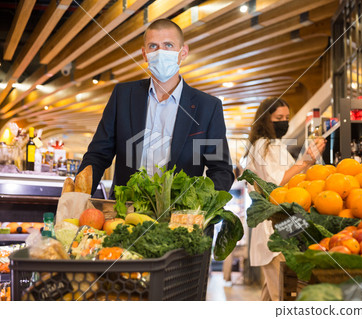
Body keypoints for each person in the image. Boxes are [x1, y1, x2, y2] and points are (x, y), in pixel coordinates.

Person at [77, 19, 234, 196]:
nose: (160, 52)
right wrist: (77, 197)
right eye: (153, 46)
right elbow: (98, 155)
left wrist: (200, 209)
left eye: (168, 45)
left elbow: (221, 169)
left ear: (183, 52)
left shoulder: (207, 107)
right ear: (144, 54)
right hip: (123, 213)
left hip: (177, 217)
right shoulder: (123, 95)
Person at [243, 97, 326, 301]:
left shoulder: (276, 145)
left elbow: (292, 180)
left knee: (273, 293)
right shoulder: (264, 145)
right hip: (274, 229)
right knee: (284, 294)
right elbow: (277, 183)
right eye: (278, 117)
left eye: (286, 117)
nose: (284, 121)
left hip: (283, 226)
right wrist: (307, 159)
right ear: (265, 119)